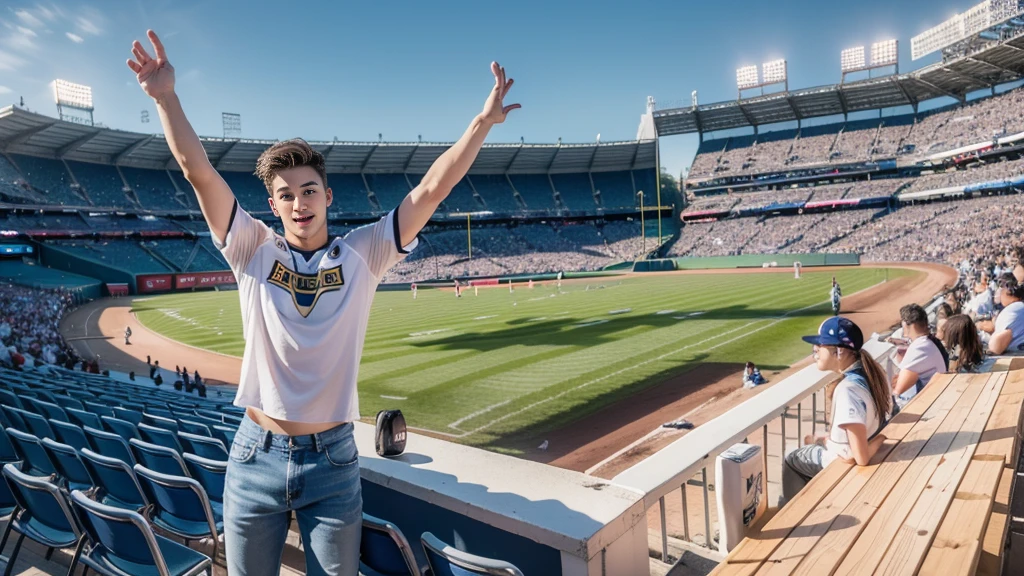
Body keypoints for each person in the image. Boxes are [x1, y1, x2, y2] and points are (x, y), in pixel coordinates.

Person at [126, 29, 519, 575]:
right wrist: (166, 97)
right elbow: (199, 171)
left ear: (328, 195)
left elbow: (431, 190)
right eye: (285, 194)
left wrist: (481, 124)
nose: (298, 202)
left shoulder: (364, 253)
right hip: (253, 453)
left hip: (332, 461)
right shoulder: (251, 247)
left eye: (308, 189)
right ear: (273, 204)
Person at [781, 317, 890, 505]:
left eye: (818, 348)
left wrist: (882, 439)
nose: (815, 353)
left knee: (792, 458)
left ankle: (792, 516)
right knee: (811, 440)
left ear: (838, 352)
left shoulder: (847, 390)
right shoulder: (870, 372)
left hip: (840, 463)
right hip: (850, 448)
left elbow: (862, 458)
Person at [891, 304, 948, 410]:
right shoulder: (930, 341)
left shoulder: (919, 347)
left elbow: (898, 388)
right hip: (939, 396)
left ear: (910, 326)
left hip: (933, 404)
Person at [986, 273, 1024, 355]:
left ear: (1009, 291)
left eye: (1001, 289)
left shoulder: (1013, 309)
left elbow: (995, 347)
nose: (999, 293)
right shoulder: (1019, 307)